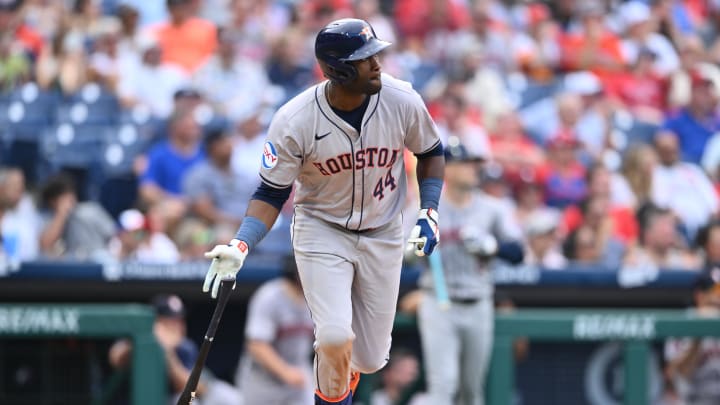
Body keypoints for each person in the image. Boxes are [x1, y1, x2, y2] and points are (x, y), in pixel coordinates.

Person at [201, 18, 445, 405]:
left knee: (368, 358)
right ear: (338, 69)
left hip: (383, 229)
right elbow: (270, 191)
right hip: (323, 229)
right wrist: (240, 244)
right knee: (333, 338)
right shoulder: (295, 119)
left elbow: (431, 152)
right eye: (366, 59)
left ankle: (342, 382)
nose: (378, 64)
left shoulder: (401, 99)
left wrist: (429, 210)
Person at [416, 141, 523, 405]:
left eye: (475, 165)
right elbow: (400, 253)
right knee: (443, 386)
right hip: (437, 301)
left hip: (478, 302)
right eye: (466, 164)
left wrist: (492, 246)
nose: (474, 170)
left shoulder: (492, 208)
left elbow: (518, 253)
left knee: (471, 390)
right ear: (447, 169)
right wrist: (415, 248)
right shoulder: (428, 205)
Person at [236, 255, 315, 404]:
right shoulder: (269, 296)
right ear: (297, 273)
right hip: (262, 380)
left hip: (298, 374)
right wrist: (286, 372)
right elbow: (256, 346)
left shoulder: (315, 297)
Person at [664, 270, 720, 405]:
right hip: (692, 399)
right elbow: (672, 376)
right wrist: (697, 337)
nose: (719, 298)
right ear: (700, 296)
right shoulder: (684, 323)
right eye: (716, 292)